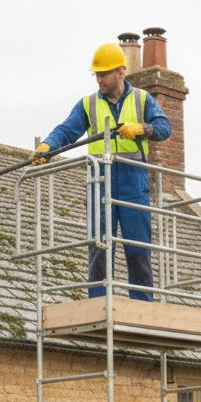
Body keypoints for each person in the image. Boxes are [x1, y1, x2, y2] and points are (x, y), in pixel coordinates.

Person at [32, 42, 171, 301]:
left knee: (138, 248)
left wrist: (142, 128)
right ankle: (98, 300)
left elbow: (164, 127)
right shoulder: (89, 104)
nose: (99, 80)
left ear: (120, 72)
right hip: (100, 182)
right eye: (97, 74)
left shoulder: (142, 99)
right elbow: (67, 130)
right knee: (99, 246)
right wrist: (48, 146)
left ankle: (142, 302)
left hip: (133, 182)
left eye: (104, 74)